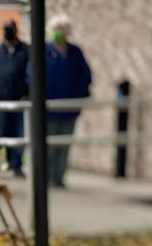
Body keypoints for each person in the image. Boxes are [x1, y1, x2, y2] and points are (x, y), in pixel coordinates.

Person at [45, 14, 92, 188]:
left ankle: (58, 177)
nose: (59, 33)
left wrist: (79, 96)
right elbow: (33, 77)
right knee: (48, 146)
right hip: (49, 109)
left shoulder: (74, 52)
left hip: (69, 108)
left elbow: (86, 75)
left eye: (62, 30)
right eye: (57, 29)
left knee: (64, 145)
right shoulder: (44, 52)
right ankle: (47, 177)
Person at [0, 20, 30, 178]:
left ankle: (17, 165)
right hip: (0, 100)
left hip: (20, 100)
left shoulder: (25, 50)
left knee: (19, 135)